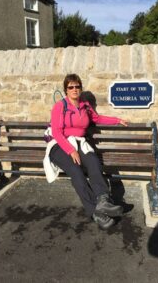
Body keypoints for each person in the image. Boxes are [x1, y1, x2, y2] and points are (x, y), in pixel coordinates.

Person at [48, 74, 128, 230]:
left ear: (80, 88)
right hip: (60, 145)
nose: (75, 89)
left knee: (93, 162)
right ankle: (95, 212)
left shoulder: (84, 105)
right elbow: (56, 132)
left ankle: (103, 200)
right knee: (75, 171)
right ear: (66, 89)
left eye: (77, 86)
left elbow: (97, 118)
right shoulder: (60, 106)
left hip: (79, 143)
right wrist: (71, 151)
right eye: (71, 87)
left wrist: (117, 120)